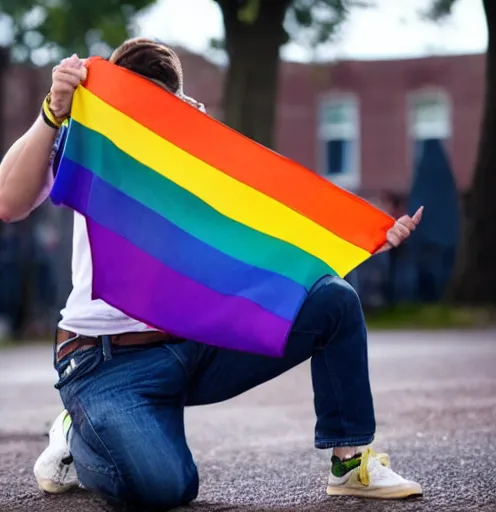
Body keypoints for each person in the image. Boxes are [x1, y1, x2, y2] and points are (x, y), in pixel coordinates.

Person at [0, 37, 424, 511]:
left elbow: (274, 219)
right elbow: (8, 202)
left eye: (159, 101)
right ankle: (78, 432)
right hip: (107, 364)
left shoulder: (195, 158)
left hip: (193, 343)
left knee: (334, 301)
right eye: (131, 98)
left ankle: (350, 464)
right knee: (166, 488)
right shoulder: (89, 142)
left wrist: (361, 232)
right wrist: (53, 112)